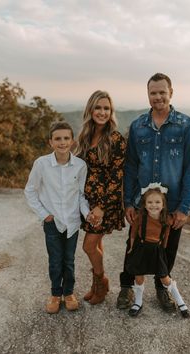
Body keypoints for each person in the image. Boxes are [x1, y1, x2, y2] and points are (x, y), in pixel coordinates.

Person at [117, 73, 190, 312]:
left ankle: (162, 289)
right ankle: (126, 286)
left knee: (167, 246)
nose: (158, 96)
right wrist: (128, 203)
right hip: (142, 203)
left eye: (162, 92)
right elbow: (130, 167)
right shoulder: (138, 126)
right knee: (135, 243)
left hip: (172, 203)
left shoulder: (186, 125)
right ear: (148, 95)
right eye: (153, 92)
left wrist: (184, 207)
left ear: (171, 92)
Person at [24, 121, 90, 314]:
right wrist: (44, 215)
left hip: (72, 222)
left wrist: (86, 214)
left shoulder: (80, 165)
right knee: (55, 260)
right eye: (58, 139)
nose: (62, 142)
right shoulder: (42, 164)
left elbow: (81, 195)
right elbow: (30, 191)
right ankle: (55, 293)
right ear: (50, 142)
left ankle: (68, 293)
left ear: (73, 141)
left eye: (66, 138)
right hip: (52, 222)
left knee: (69, 260)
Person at [76, 90, 126, 305]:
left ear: (111, 112)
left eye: (106, 108)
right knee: (96, 244)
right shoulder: (86, 136)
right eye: (98, 107)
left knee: (88, 246)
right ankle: (97, 285)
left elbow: (117, 177)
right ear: (91, 109)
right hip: (88, 201)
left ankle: (102, 281)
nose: (102, 112)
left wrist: (102, 207)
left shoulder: (115, 139)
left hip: (106, 202)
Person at [126, 184, 190, 318]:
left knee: (164, 277)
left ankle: (180, 302)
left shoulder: (166, 219)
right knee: (138, 275)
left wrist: (163, 252)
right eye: (149, 202)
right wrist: (131, 248)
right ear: (144, 204)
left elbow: (166, 236)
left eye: (157, 202)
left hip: (157, 250)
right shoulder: (140, 217)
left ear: (163, 204)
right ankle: (138, 301)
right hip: (141, 249)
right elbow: (133, 233)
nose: (153, 205)